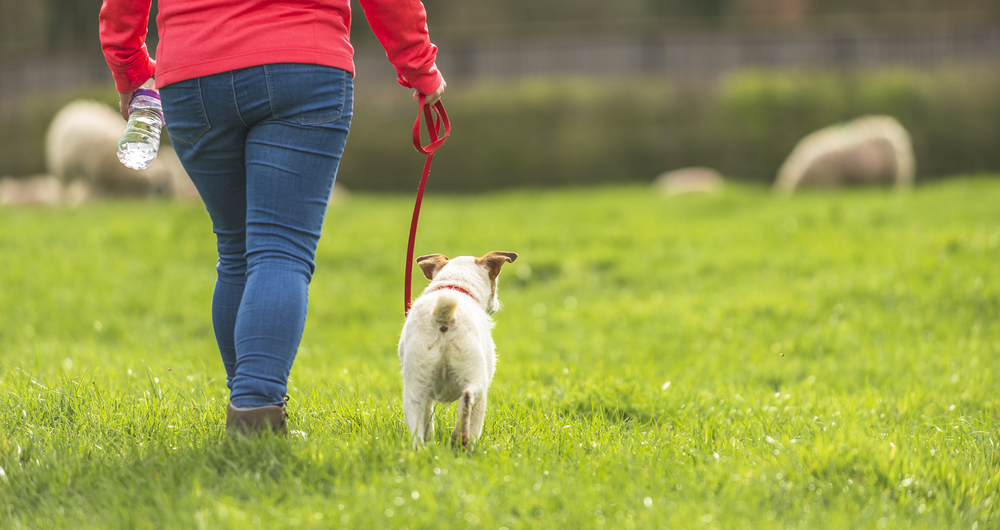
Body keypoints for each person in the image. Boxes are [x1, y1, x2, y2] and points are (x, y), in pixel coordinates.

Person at [99, 0, 446, 436]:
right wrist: (419, 65)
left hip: (192, 75)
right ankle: (255, 414)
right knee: (280, 250)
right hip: (303, 64)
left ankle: (250, 408)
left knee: (238, 250)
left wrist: (130, 72)